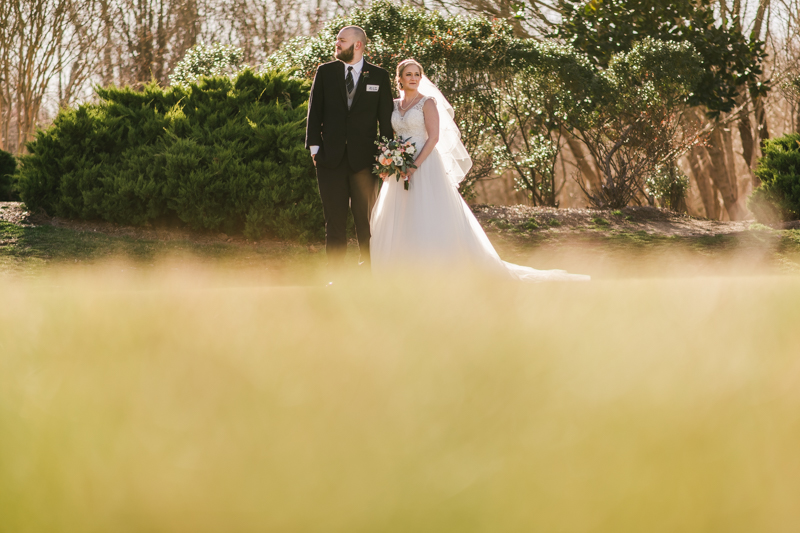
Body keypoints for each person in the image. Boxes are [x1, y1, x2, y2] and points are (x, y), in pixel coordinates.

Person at [370, 59, 590, 282]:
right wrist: (391, 159)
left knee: (425, 209)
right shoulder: (395, 105)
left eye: (417, 74)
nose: (414, 78)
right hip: (399, 164)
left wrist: (415, 165)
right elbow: (392, 135)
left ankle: (435, 265)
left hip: (424, 164)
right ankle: (401, 265)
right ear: (399, 78)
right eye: (408, 74)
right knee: (401, 211)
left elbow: (434, 137)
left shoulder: (427, 103)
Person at [305, 26, 394, 268]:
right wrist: (315, 149)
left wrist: (386, 156)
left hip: (365, 162)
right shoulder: (325, 72)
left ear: (358, 45)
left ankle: (370, 272)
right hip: (329, 161)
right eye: (337, 40)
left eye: (342, 41)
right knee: (334, 222)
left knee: (366, 222)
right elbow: (314, 113)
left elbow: (385, 121)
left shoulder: (378, 76)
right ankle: (336, 276)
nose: (337, 44)